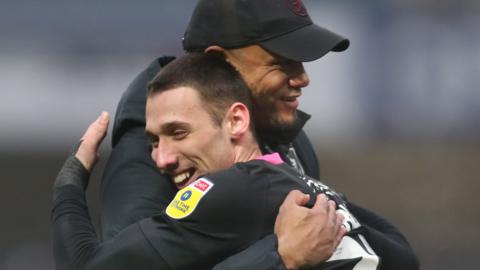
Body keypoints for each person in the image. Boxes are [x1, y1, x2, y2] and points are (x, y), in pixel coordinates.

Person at [99, 0, 419, 269]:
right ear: (220, 62)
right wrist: (277, 258)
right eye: (281, 61)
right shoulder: (150, 153)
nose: (303, 77)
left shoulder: (288, 140)